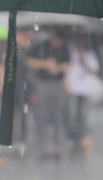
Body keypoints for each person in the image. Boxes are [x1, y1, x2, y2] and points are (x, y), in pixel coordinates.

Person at [26, 28, 70, 159]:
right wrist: (45, 64)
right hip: (42, 82)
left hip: (57, 83)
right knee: (42, 114)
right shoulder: (40, 47)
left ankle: (57, 144)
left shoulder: (64, 48)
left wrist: (58, 68)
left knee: (58, 114)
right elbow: (29, 61)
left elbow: (68, 64)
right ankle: (43, 144)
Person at [64, 35, 101, 156]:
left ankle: (83, 137)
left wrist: (84, 62)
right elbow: (65, 70)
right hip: (73, 89)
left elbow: (94, 70)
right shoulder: (69, 54)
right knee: (72, 113)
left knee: (83, 115)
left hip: (85, 90)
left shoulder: (89, 55)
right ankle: (73, 138)